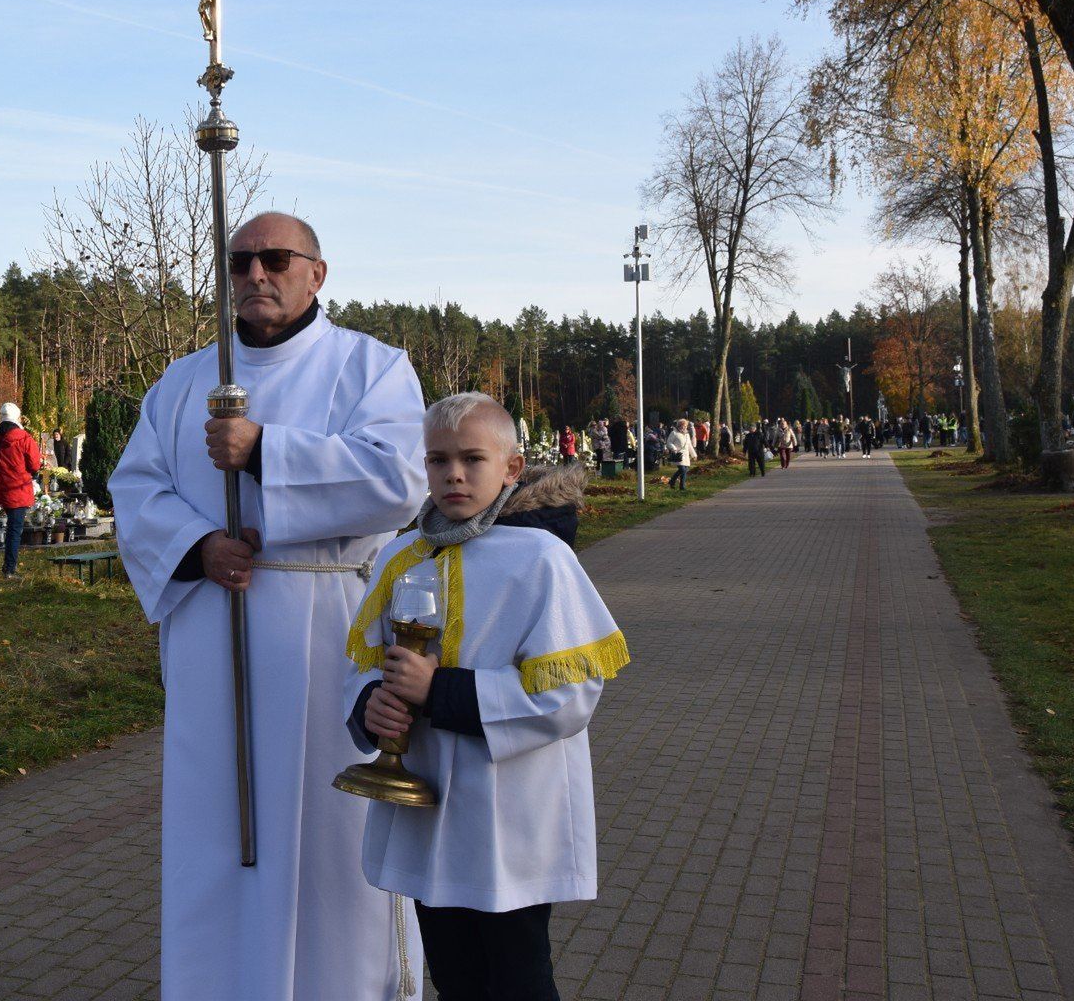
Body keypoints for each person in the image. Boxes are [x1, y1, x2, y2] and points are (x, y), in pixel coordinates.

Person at [111, 211, 428, 1001]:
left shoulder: (374, 368)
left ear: (317, 273)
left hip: (329, 633)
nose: (257, 275)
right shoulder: (183, 382)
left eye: (276, 259)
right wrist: (195, 546)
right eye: (241, 261)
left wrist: (266, 452)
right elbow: (134, 488)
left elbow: (400, 478)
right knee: (217, 836)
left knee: (329, 836)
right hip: (213, 633)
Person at [346, 394, 628, 1001]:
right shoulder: (400, 556)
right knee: (454, 975)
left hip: (509, 814)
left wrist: (440, 691)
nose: (454, 474)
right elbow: (364, 662)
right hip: (423, 806)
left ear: (512, 468)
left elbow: (571, 692)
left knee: (518, 977)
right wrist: (371, 705)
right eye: (438, 459)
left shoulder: (542, 559)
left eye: (474, 459)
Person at [0, 403, 42, 576]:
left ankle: (7, 566)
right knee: (14, 530)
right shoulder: (24, 438)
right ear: (17, 417)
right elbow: (35, 465)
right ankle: (9, 568)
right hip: (17, 489)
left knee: (6, 527)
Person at [666, 418, 695, 491]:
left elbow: (689, 445)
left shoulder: (687, 435)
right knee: (682, 470)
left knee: (684, 470)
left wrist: (694, 455)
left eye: (685, 426)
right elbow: (669, 442)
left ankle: (677, 484)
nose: (684, 427)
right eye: (683, 425)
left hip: (686, 456)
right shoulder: (674, 433)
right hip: (678, 455)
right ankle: (679, 484)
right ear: (679, 425)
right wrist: (674, 449)